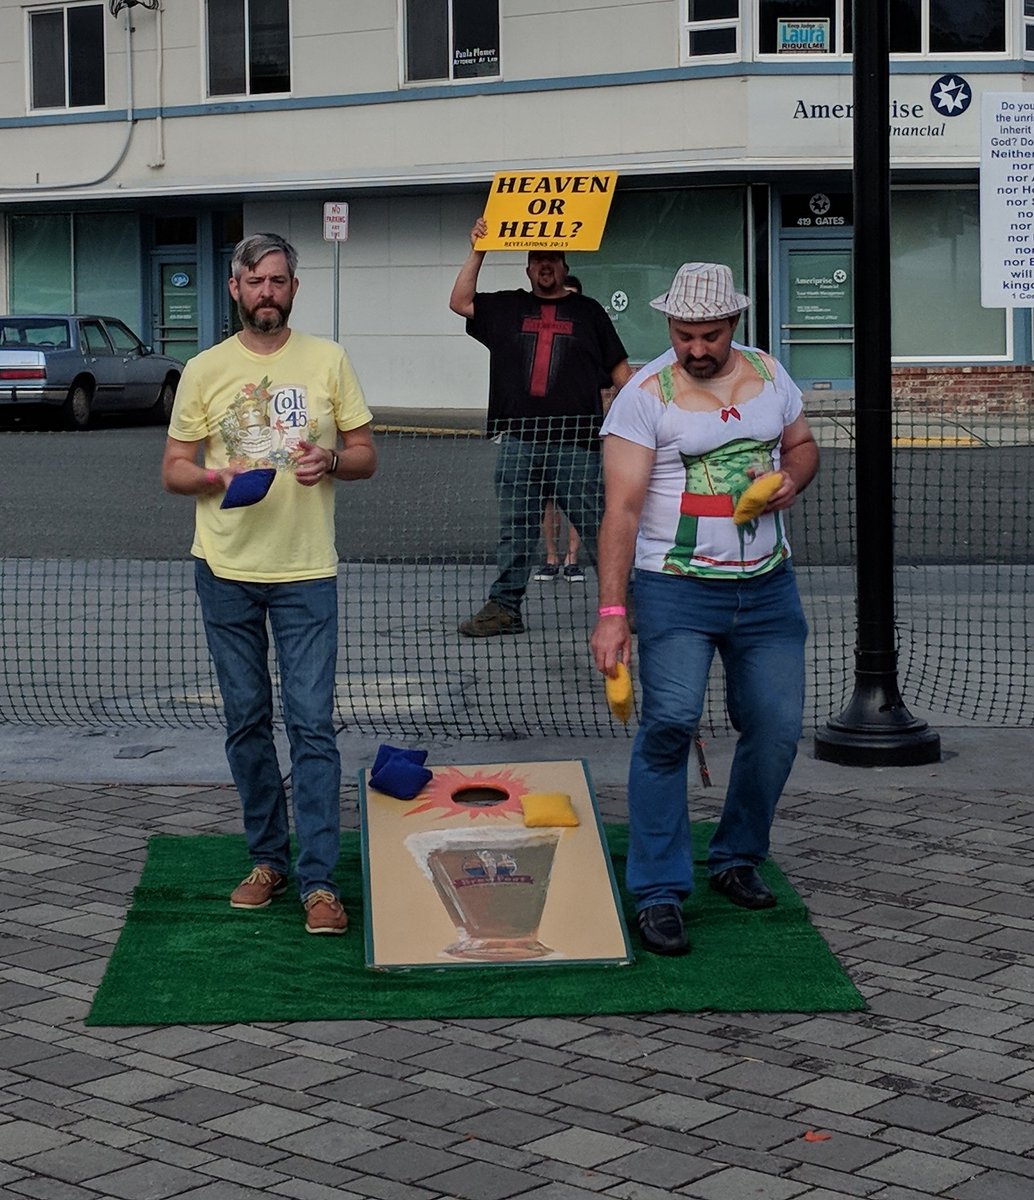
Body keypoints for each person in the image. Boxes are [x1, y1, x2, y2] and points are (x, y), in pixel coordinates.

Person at [590, 262, 818, 957]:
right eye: (684, 334)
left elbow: (802, 447)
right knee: (667, 727)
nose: (696, 348)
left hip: (768, 587)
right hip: (674, 588)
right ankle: (657, 892)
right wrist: (611, 612)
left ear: (734, 325)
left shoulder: (770, 374)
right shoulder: (643, 396)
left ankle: (736, 856)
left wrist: (789, 482)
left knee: (776, 727)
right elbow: (621, 510)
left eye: (709, 335)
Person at [161, 232, 376, 935]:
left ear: (294, 287)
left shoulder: (328, 359)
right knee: (247, 720)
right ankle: (268, 861)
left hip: (307, 571)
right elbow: (174, 470)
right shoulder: (204, 369)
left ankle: (319, 882)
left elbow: (367, 454)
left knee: (312, 726)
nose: (266, 292)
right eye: (254, 281)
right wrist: (220, 476)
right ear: (233, 288)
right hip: (224, 568)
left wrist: (333, 460)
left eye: (278, 281)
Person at [450, 218, 632, 636]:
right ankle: (504, 608)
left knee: (598, 525)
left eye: (552, 258)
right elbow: (460, 302)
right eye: (537, 259)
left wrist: (650, 417)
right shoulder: (507, 307)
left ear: (566, 266)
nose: (545, 265)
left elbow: (620, 372)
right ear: (527, 268)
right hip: (519, 441)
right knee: (515, 529)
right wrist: (479, 247)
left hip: (576, 442)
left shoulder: (589, 313)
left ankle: (626, 604)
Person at [536, 273, 585, 584]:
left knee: (577, 497)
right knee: (549, 497)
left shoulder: (586, 332)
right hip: (544, 429)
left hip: (578, 430)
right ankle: (551, 557)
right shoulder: (540, 333)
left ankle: (573, 559)